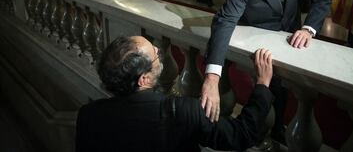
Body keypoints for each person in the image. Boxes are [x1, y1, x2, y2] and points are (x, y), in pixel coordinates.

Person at [201, 0, 331, 143]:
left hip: (292, 35)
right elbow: (224, 21)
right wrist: (212, 79)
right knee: (269, 93)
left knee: (285, 96)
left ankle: (279, 128)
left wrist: (308, 28)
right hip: (261, 40)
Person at [76, 36, 274, 152]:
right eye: (154, 54)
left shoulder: (88, 115)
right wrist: (263, 84)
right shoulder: (183, 110)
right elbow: (241, 135)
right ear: (143, 79)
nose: (157, 49)